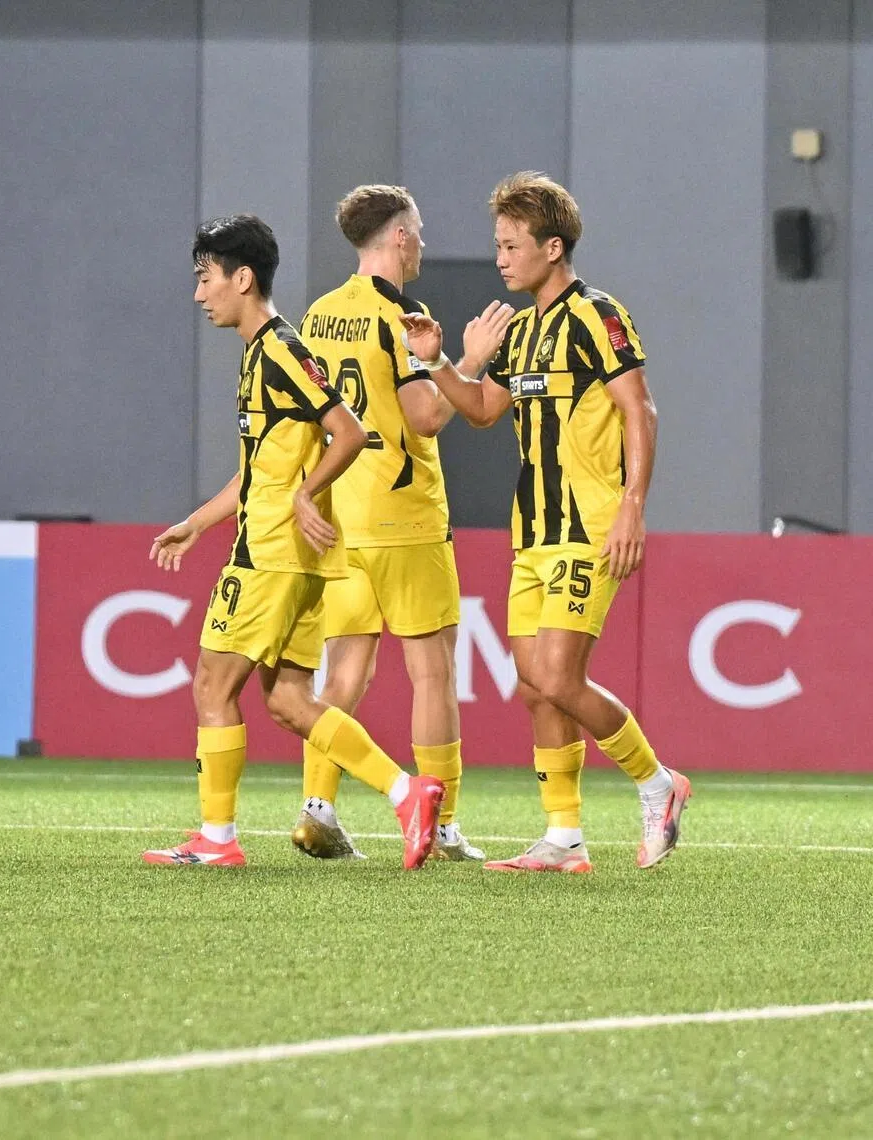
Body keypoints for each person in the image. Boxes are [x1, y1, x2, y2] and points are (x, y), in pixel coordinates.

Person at [398, 172, 692, 873]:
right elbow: (482, 410)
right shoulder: (523, 330)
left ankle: (659, 785)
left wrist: (631, 508)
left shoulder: (597, 314)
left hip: (588, 524)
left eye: (511, 244)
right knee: (533, 684)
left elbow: (639, 409)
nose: (500, 258)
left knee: (558, 677)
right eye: (497, 244)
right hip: (531, 532)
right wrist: (437, 360)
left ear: (552, 247)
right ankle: (563, 837)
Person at [141, 214, 444, 870]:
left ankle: (217, 840)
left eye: (206, 278)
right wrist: (197, 522)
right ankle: (407, 792)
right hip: (294, 558)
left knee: (211, 688)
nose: (200, 294)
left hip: (271, 554)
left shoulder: (280, 351)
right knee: (288, 700)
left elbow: (350, 430)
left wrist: (307, 495)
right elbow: (258, 472)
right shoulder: (264, 355)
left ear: (241, 278)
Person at [291, 184, 512, 862]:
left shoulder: (319, 314)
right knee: (433, 672)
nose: (423, 241)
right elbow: (426, 416)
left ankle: (317, 809)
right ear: (396, 237)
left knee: (345, 671)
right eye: (417, 229)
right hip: (404, 516)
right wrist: (471, 357)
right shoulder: (402, 313)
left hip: (340, 519)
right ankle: (440, 825)